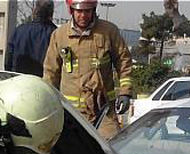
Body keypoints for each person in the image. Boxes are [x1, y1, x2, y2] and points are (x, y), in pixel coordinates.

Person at [43, 0, 133, 139]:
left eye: (87, 11)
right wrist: (48, 102)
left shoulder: (108, 32)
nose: (83, 15)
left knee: (112, 148)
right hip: (72, 114)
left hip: (104, 110)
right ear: (71, 10)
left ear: (94, 10)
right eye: (79, 11)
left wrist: (125, 92)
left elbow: (124, 61)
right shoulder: (59, 35)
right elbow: (50, 72)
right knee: (73, 153)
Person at [5, 0, 56, 154]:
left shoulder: (20, 31)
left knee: (21, 138)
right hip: (44, 93)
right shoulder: (55, 34)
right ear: (51, 13)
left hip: (20, 91)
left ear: (34, 11)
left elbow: (8, 61)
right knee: (47, 137)